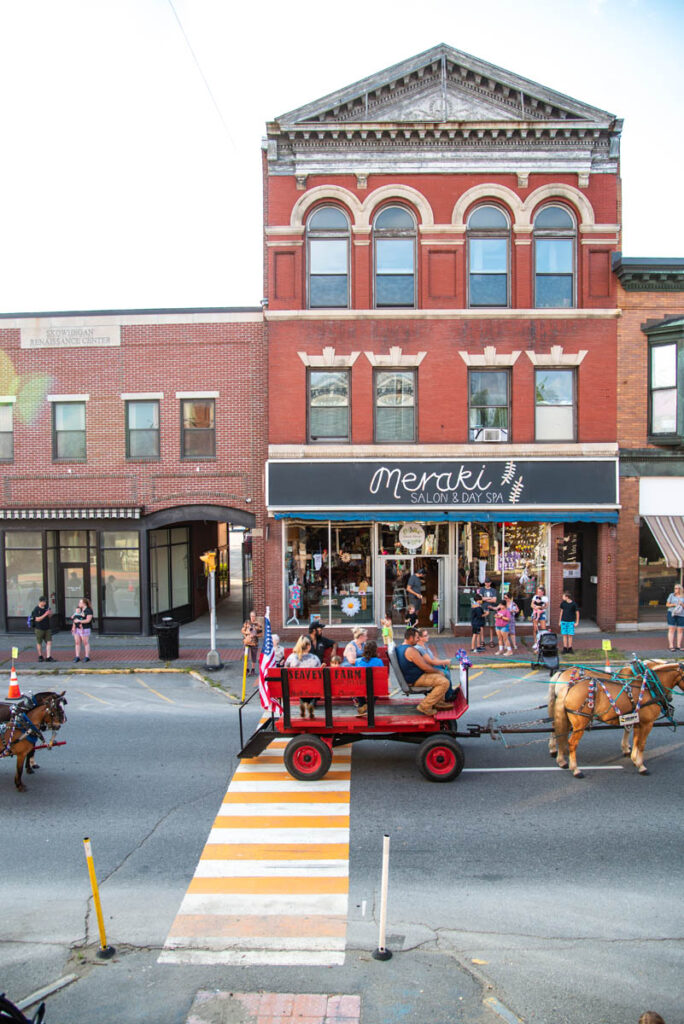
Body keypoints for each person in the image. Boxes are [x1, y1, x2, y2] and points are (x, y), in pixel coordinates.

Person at [395, 627, 450, 716]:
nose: (417, 640)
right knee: (444, 682)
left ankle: (439, 702)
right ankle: (424, 706)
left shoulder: (400, 647)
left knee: (441, 677)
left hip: (412, 677)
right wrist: (438, 671)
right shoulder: (411, 650)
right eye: (416, 637)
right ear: (411, 638)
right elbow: (425, 667)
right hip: (416, 679)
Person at [284, 634, 321, 718]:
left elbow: (285, 669)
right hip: (312, 687)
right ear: (308, 647)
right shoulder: (314, 658)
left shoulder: (291, 657)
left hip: (296, 687)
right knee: (314, 687)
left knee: (301, 688)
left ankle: (303, 704)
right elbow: (319, 675)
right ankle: (311, 703)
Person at [30, 596, 55, 662]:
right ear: (40, 602)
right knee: (39, 642)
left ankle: (48, 656)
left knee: (49, 642)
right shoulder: (36, 609)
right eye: (43, 602)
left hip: (47, 627)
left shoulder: (46, 607)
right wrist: (45, 614)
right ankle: (40, 656)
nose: (44, 603)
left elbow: (49, 616)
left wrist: (50, 613)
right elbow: (37, 619)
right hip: (39, 628)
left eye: (45, 602)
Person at [71, 597, 93, 662]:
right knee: (77, 642)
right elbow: (75, 617)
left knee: (85, 642)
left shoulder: (88, 610)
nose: (79, 603)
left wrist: (79, 621)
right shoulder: (79, 610)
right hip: (77, 628)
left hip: (85, 628)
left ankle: (87, 656)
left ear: (84, 603)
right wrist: (73, 626)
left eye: (80, 602)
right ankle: (77, 656)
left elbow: (88, 620)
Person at [241, 610, 262, 675]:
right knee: (246, 656)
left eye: (254, 616)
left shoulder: (258, 624)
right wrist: (247, 633)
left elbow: (261, 634)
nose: (252, 617)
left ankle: (253, 670)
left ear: (255, 617)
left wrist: (255, 635)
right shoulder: (247, 623)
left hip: (254, 642)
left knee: (254, 656)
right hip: (247, 642)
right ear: (250, 616)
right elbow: (242, 630)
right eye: (251, 616)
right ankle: (246, 669)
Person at [478, 579, 498, 646]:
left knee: (491, 625)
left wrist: (485, 598)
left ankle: (491, 640)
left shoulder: (493, 590)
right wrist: (490, 598)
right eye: (486, 582)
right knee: (482, 625)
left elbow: (494, 600)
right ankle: (482, 641)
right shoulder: (482, 589)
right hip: (483, 609)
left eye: (488, 582)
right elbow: (480, 599)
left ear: (490, 582)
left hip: (491, 609)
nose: (487, 583)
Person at [665, 583, 684, 652]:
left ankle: (679, 646)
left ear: (680, 589)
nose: (675, 590)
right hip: (672, 613)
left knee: (680, 629)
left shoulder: (683, 596)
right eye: (675, 588)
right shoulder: (671, 595)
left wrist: (681, 604)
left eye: (677, 588)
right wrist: (674, 604)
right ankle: (671, 645)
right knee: (671, 629)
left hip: (681, 614)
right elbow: (667, 604)